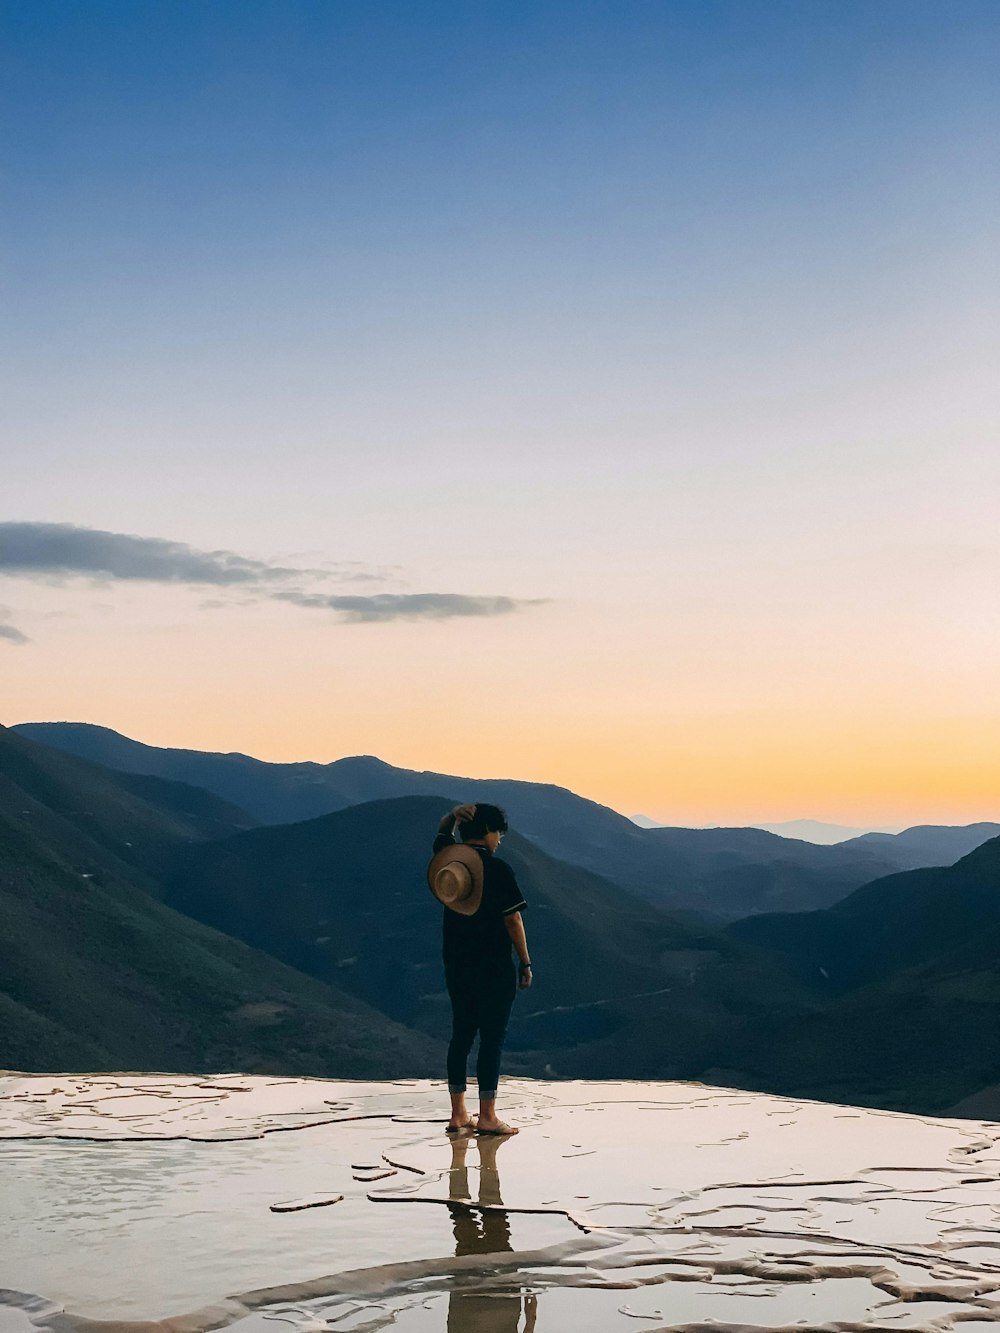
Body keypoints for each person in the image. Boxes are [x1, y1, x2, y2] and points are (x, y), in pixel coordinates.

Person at [430, 802, 532, 1136]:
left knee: (461, 1035)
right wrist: (525, 962)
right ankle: (487, 1116)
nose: (499, 839)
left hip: (456, 965)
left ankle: (458, 1114)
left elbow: (441, 836)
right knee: (491, 1039)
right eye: (498, 832)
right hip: (493, 967)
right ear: (488, 832)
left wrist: (450, 818)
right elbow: (513, 918)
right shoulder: (498, 870)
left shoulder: (451, 863)